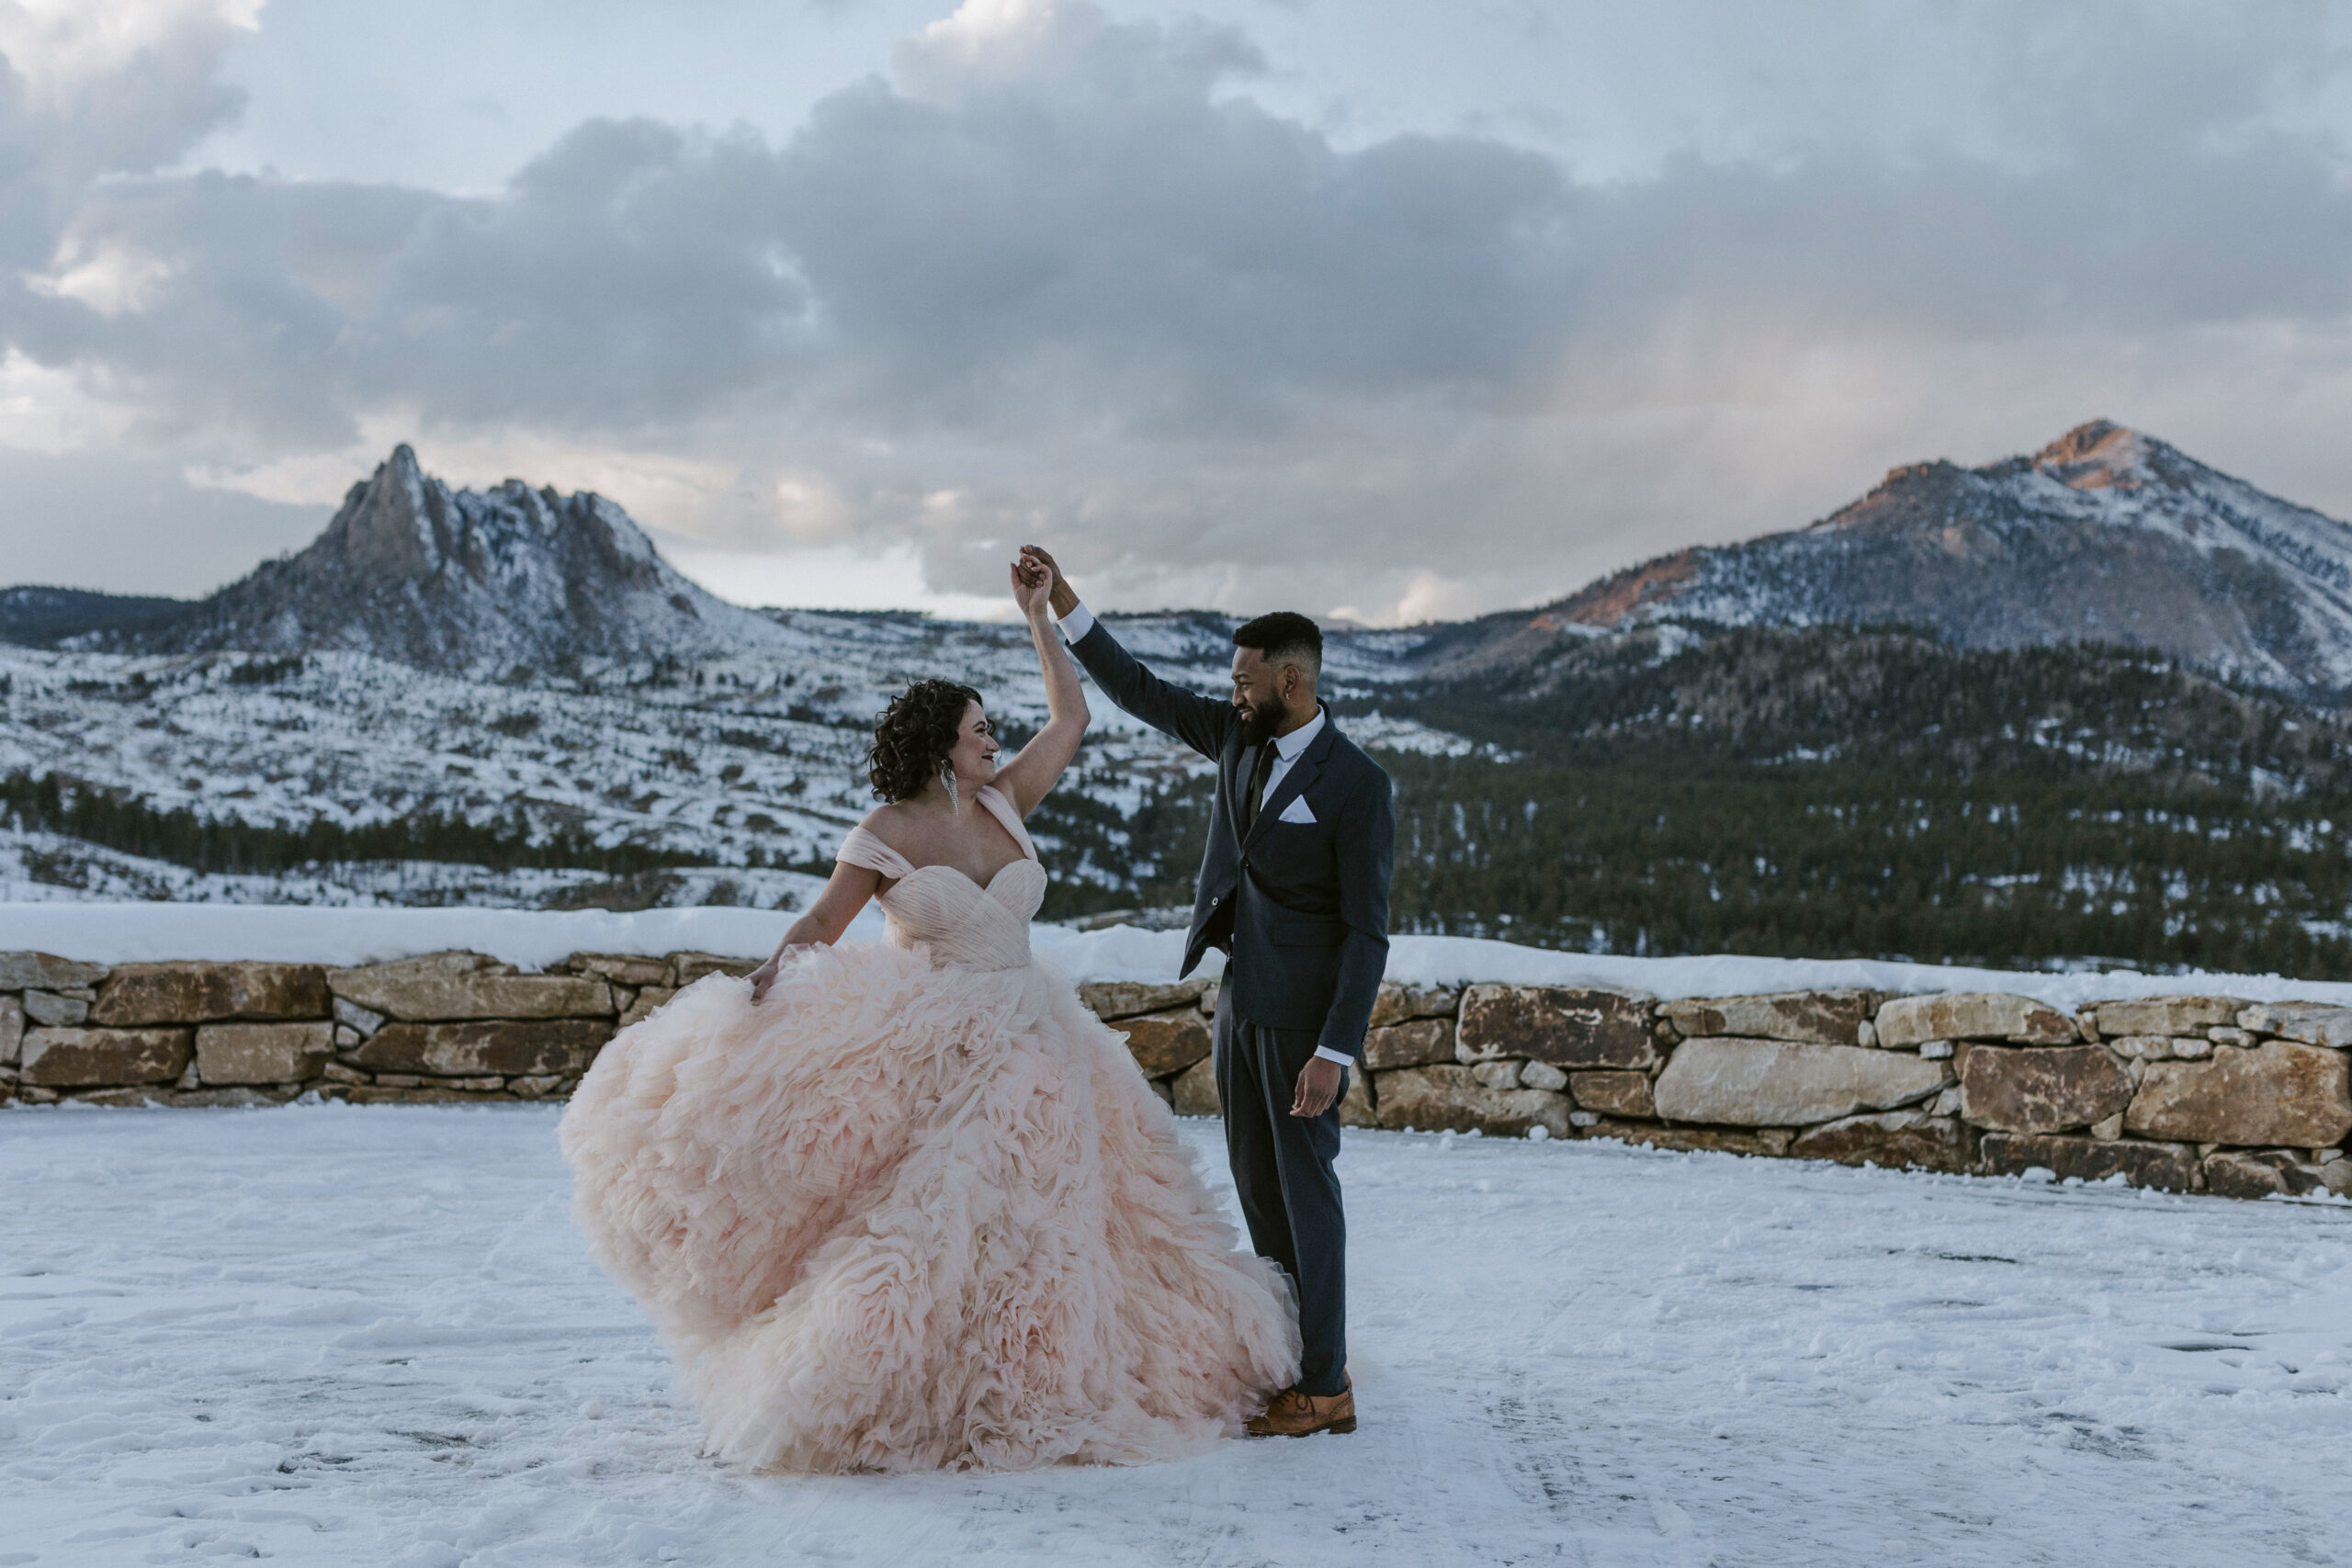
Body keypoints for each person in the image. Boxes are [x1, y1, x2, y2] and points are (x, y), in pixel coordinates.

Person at [558, 554, 1298, 1474]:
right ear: (941, 743)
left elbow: (1071, 716)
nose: (994, 741)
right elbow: (824, 923)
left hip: (1036, 1035)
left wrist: (1038, 613)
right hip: (935, 1043)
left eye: (992, 729)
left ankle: (1047, 1371)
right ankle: (917, 1392)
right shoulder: (885, 832)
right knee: (940, 1223)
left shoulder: (1005, 800)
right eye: (980, 730)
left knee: (1056, 1226)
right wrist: (762, 984)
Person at [1018, 545, 1394, 1440]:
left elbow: (1366, 932)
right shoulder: (1235, 738)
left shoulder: (1358, 785)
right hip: (1240, 1004)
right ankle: (1288, 1356)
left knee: (1309, 1197)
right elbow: (1138, 689)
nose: (1232, 692)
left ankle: (1327, 1384)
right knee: (1258, 1193)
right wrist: (1064, 604)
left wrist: (1332, 1052)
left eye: (1245, 680)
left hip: (1304, 1024)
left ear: (1293, 681)